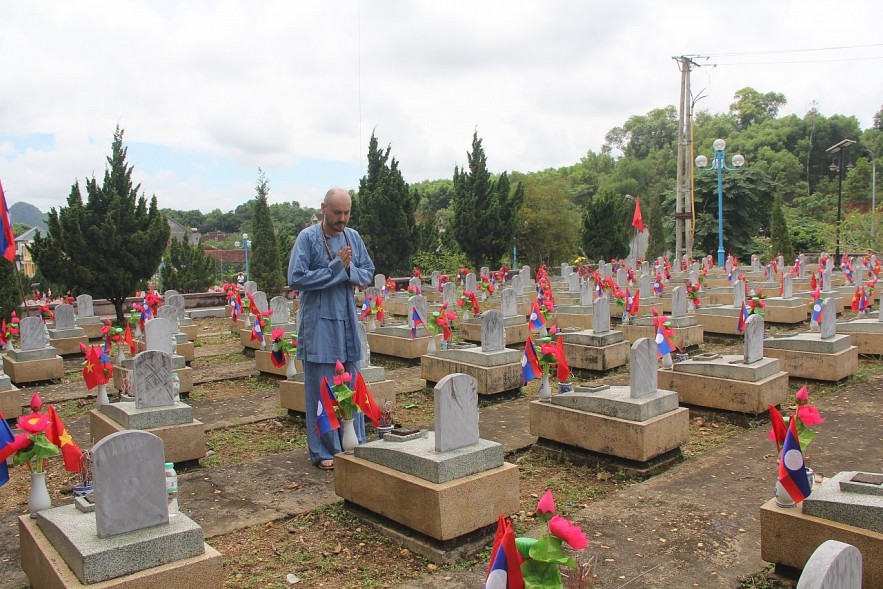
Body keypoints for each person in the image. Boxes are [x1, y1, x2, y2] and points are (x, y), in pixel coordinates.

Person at [288, 187, 375, 470]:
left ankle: (353, 440)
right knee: (323, 387)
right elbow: (296, 277)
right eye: (337, 212)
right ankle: (325, 450)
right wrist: (335, 269)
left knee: (351, 380)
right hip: (319, 323)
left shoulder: (354, 237)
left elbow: (367, 271)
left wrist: (348, 271)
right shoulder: (308, 238)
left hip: (347, 319)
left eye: (347, 212)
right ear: (324, 208)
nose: (342, 219)